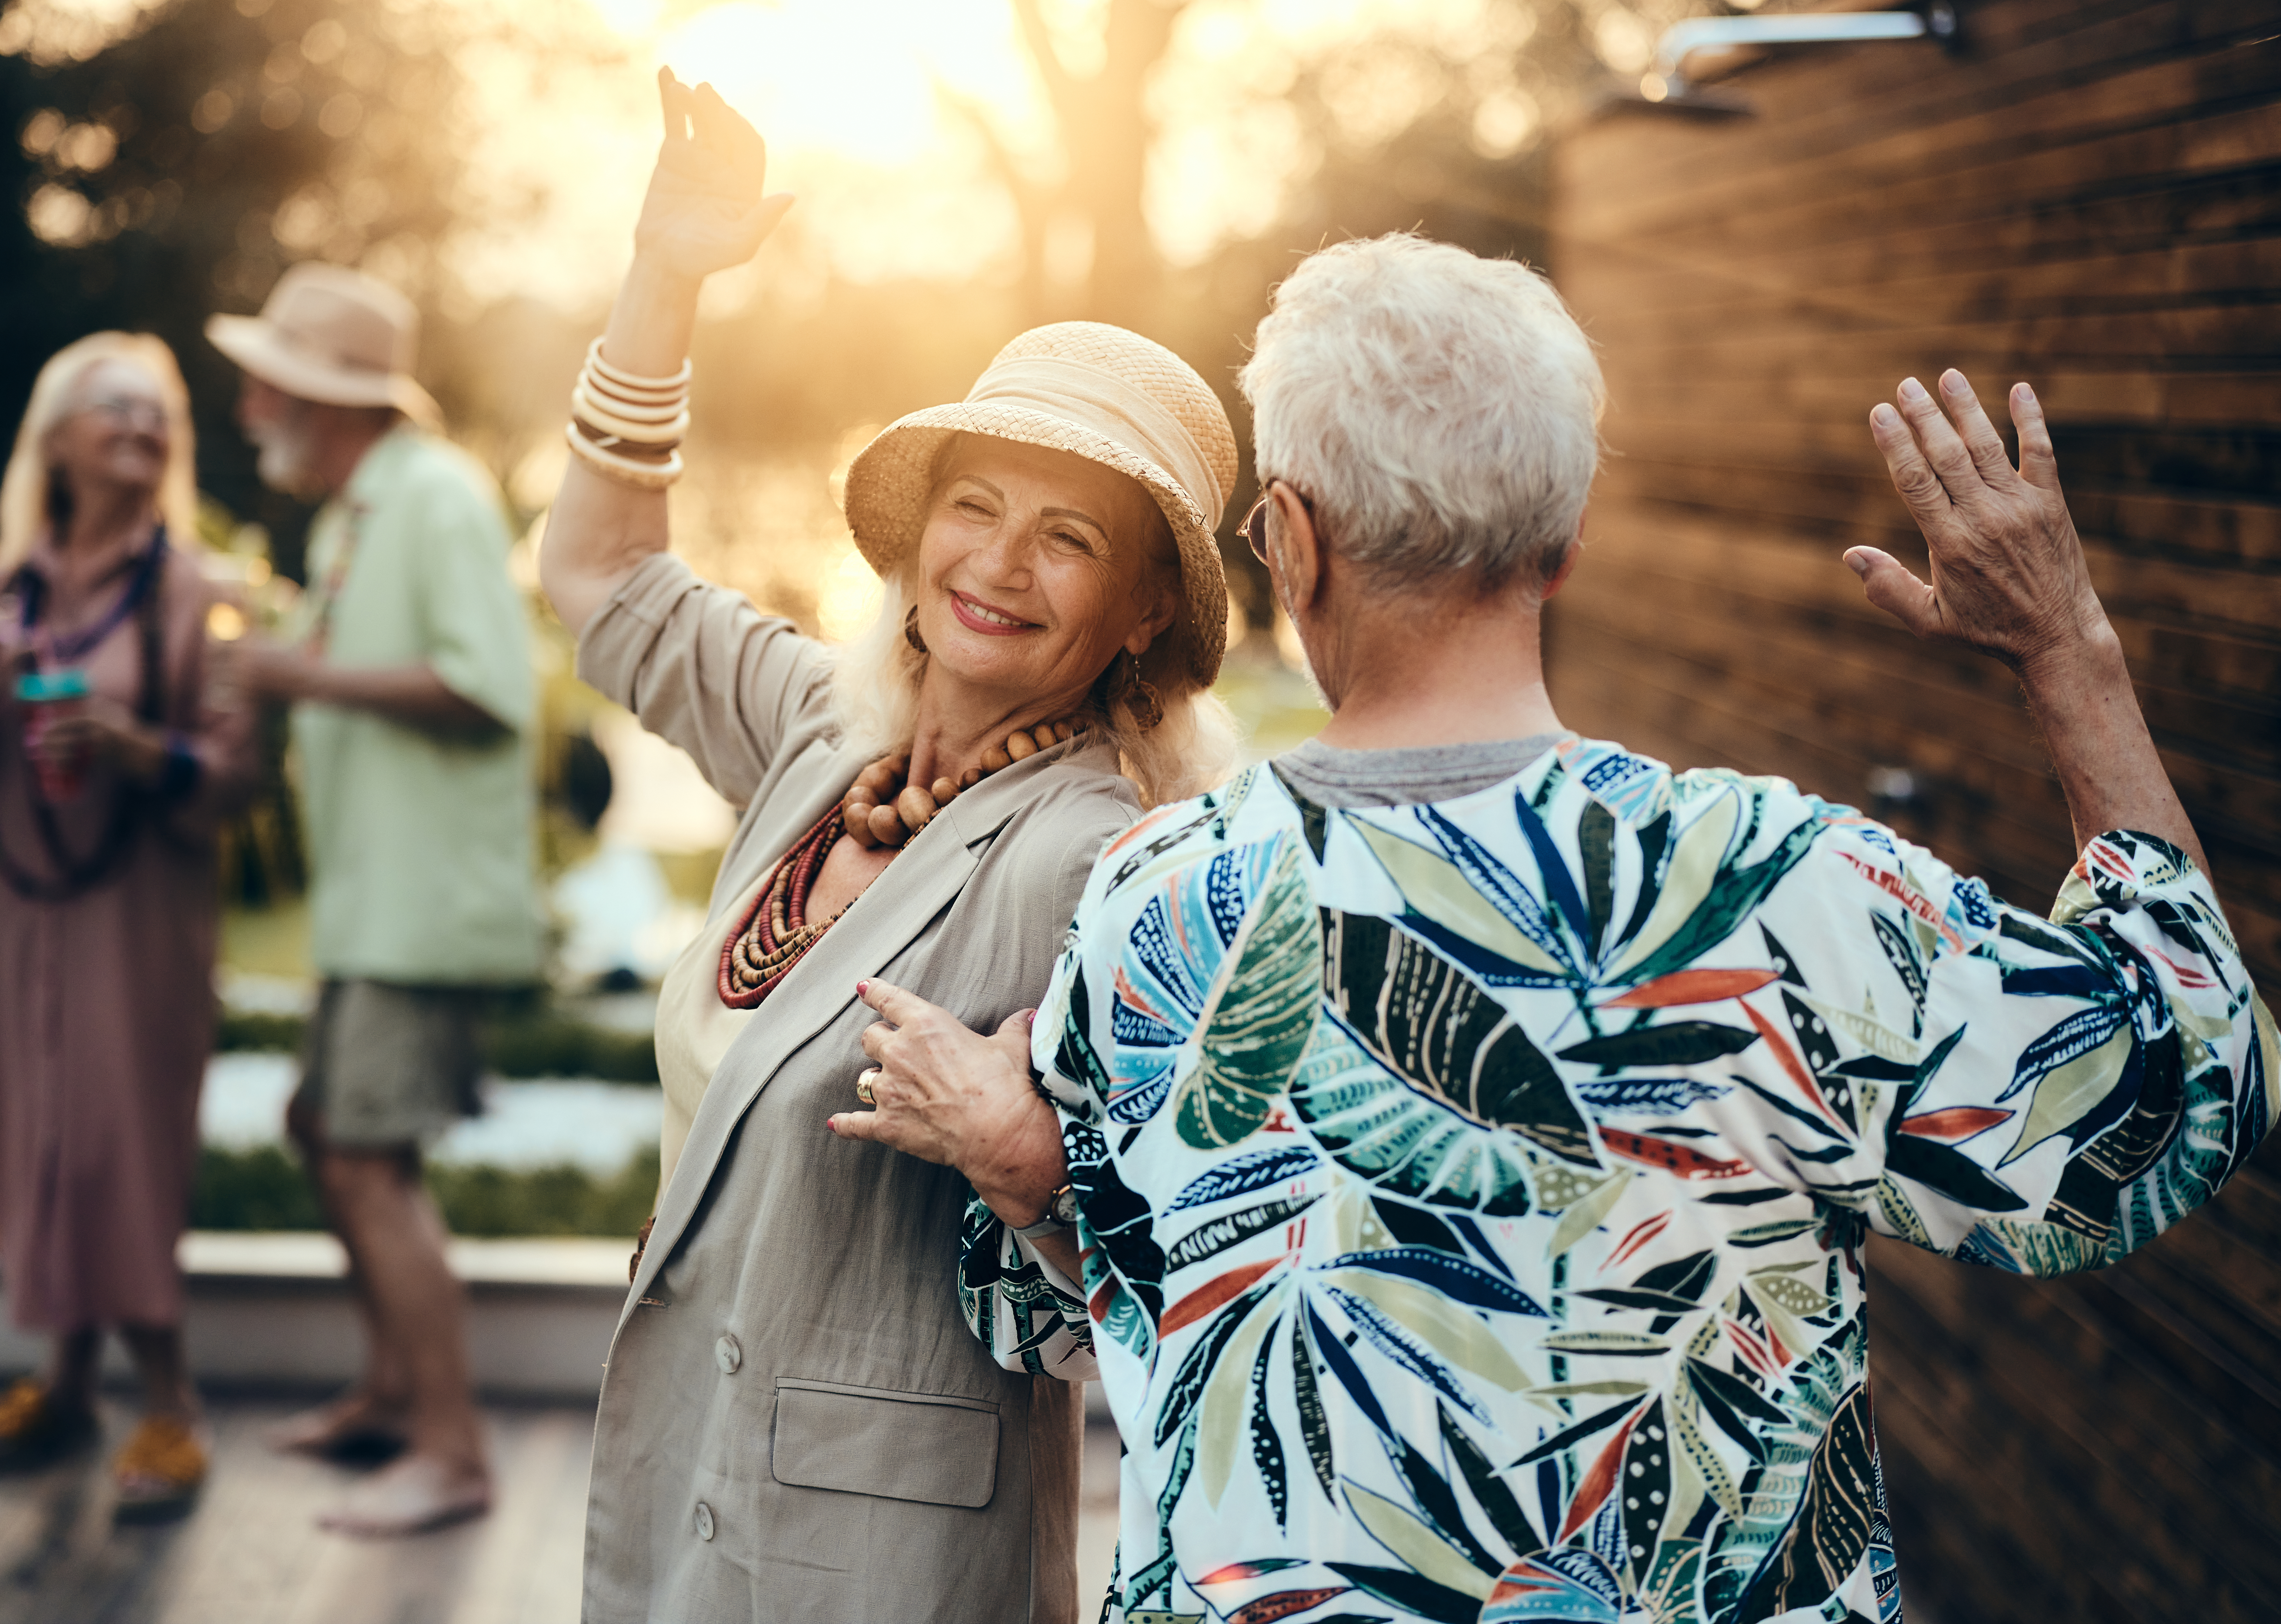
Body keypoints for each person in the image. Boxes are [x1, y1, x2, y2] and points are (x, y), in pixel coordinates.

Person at [837, 234, 2277, 1624]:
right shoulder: (1776, 883)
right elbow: (2183, 1092)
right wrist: (2064, 646)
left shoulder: (1155, 899)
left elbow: (1049, 1318)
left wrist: (1030, 1170)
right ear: (1565, 544)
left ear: (1288, 537)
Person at [530, 72, 1237, 1624]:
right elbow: (594, 568)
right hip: (687, 1484)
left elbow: (1166, 1267)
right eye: (975, 506)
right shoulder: (814, 737)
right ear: (915, 545)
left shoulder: (1102, 863)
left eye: (1069, 537)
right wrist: (664, 280)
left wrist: (1028, 1158)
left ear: (1139, 617)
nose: (998, 561)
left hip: (883, 1568)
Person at [0, 332, 257, 1521]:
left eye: (159, 414)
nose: (142, 428)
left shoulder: (205, 596)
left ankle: (171, 1400)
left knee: (117, 1145)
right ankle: (64, 1383)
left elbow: (238, 780)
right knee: (33, 1139)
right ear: (54, 438)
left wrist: (129, 744)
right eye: (114, 407)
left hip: (136, 924)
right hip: (13, 921)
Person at [207, 262, 541, 1537]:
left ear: (322, 397)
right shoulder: (351, 513)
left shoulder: (438, 497)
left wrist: (298, 672)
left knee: (359, 1160)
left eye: (264, 383)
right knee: (330, 1133)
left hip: (424, 908)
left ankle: (452, 1453)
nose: (245, 407)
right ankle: (394, 1399)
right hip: (372, 906)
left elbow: (485, 684)